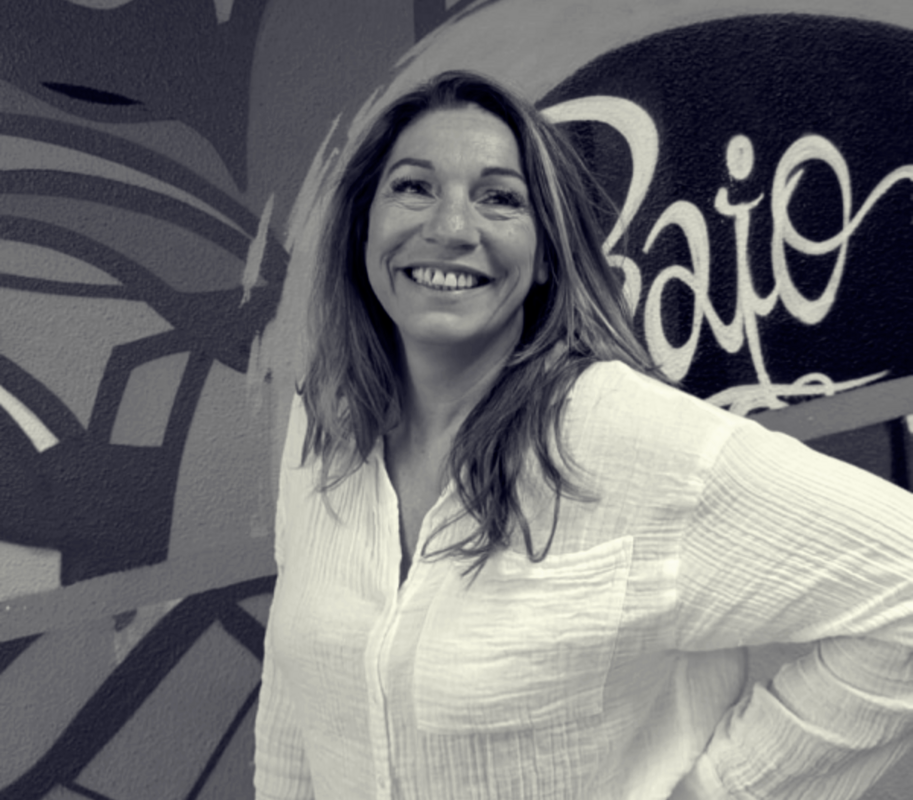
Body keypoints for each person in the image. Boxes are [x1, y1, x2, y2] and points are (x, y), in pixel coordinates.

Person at [254, 70, 913, 800]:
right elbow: (292, 707)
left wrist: (720, 791)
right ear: (363, 228)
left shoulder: (623, 434)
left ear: (546, 254)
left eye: (500, 198)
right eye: (413, 187)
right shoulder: (325, 426)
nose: (450, 228)